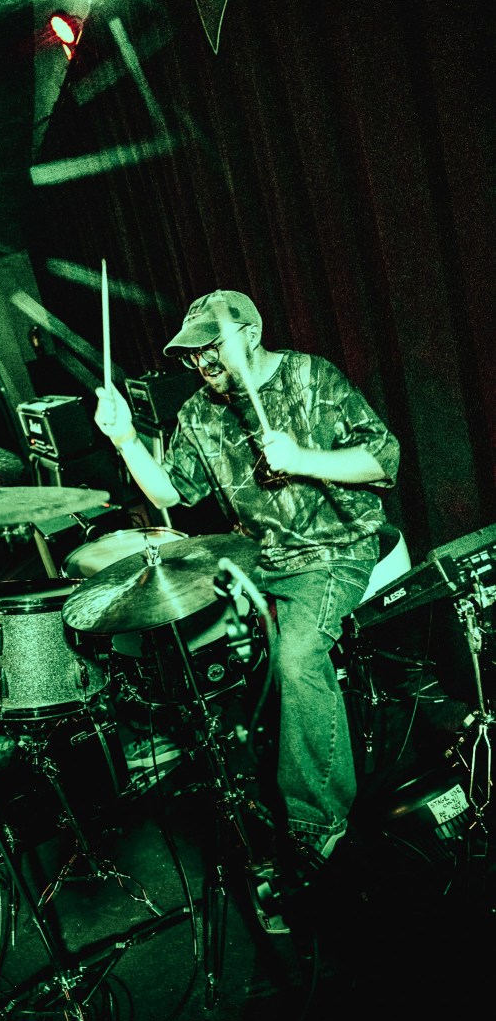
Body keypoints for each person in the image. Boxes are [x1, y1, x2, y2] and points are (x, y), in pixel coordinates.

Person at [93, 288, 400, 933]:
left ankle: (320, 827)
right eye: (192, 351)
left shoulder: (313, 377)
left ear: (249, 337)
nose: (200, 359)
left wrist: (303, 460)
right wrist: (124, 440)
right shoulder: (201, 414)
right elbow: (171, 491)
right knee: (201, 646)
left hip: (336, 549)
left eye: (212, 346)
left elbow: (384, 462)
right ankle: (250, 803)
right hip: (264, 553)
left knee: (296, 656)